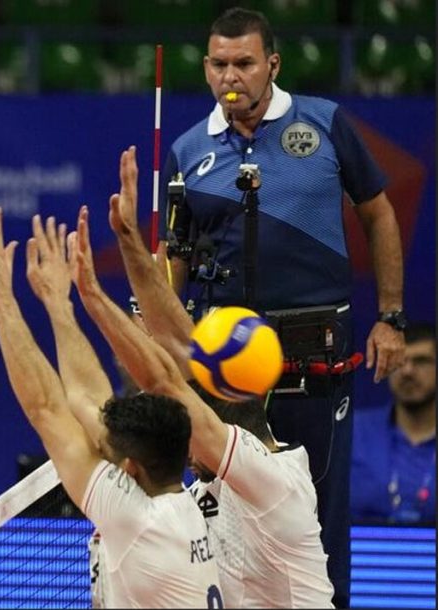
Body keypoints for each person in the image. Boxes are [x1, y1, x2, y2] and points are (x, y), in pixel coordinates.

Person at [156, 8, 405, 606]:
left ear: (273, 63)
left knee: (317, 518)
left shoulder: (324, 124)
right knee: (222, 516)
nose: (230, 75)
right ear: (206, 67)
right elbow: (174, 259)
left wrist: (390, 316)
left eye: (244, 62)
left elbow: (378, 212)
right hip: (221, 365)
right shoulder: (190, 149)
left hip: (313, 357)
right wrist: (161, 340)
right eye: (219, 63)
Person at [97, 145, 334, 607]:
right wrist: (129, 243)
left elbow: (165, 381)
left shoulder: (272, 478)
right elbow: (181, 346)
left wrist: (89, 297)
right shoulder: (228, 473)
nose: (185, 453)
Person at [0, 207, 222, 608]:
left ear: (129, 469)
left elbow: (48, 409)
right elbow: (90, 403)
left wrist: (2, 302)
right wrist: (57, 304)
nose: (99, 434)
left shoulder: (136, 520)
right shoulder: (182, 503)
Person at [352, 322, 436, 524]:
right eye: (398, 362)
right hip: (362, 551)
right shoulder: (354, 432)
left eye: (421, 361)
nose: (407, 371)